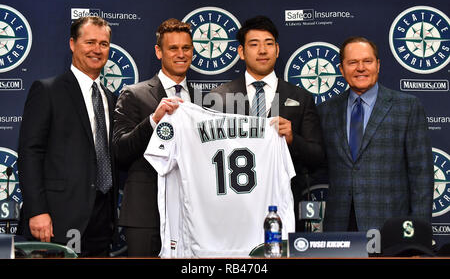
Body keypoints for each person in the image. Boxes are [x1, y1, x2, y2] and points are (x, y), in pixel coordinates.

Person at [210, 16, 325, 230]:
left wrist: (293, 139)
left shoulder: (300, 97)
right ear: (242, 52)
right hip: (234, 209)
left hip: (285, 206)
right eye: (254, 44)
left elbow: (318, 157)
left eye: (269, 43)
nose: (263, 50)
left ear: (277, 50)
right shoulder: (219, 98)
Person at [17, 16, 118, 257]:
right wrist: (37, 211)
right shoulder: (47, 90)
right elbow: (30, 153)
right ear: (73, 44)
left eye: (103, 44)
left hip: (102, 221)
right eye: (90, 42)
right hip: (56, 220)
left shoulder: (110, 98)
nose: (97, 49)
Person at [317, 36, 434, 232]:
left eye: (367, 61)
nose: (360, 68)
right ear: (341, 69)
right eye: (352, 62)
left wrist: (418, 235)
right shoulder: (325, 110)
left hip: (391, 225)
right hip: (339, 225)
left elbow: (421, 174)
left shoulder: (407, 106)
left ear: (378, 65)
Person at [113, 18, 195, 256]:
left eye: (186, 48)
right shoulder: (134, 95)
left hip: (191, 215)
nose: (181, 54)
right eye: (173, 48)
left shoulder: (204, 99)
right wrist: (153, 121)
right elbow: (120, 151)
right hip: (145, 214)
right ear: (159, 51)